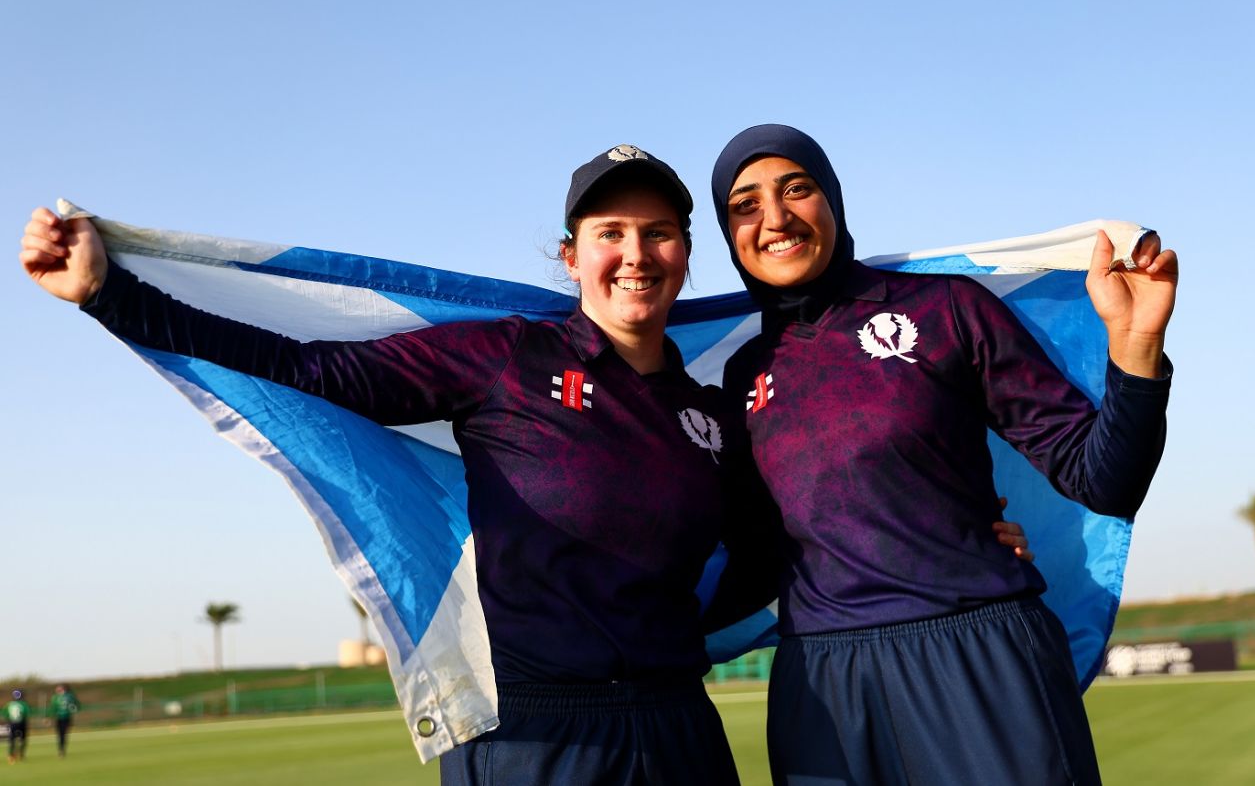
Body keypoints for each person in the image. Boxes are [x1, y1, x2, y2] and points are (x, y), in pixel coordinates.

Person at [21, 142, 1032, 783]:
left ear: (684, 255)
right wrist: (114, 297)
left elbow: (776, 552)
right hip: (534, 739)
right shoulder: (502, 357)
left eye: (658, 235)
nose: (634, 254)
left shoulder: (708, 412)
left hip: (679, 732)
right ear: (569, 255)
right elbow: (301, 363)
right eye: (609, 234)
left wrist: (955, 532)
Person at [710, 124, 1176, 786]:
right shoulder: (744, 376)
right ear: (730, 234)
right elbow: (756, 560)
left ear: (833, 201)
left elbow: (1103, 480)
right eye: (745, 204)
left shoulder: (948, 310)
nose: (776, 217)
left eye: (797, 189)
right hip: (823, 686)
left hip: (978, 655)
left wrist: (1137, 348)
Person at [47, 684, 80, 757]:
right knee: (61, 734)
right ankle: (61, 750)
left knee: (62, 734)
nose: (56, 689)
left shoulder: (59, 697)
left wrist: (49, 717)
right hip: (59, 718)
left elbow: (53, 708)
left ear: (62, 689)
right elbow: (76, 705)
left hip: (65, 718)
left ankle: (61, 750)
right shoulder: (68, 696)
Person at [6, 690, 30, 763]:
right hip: (22, 723)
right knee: (23, 739)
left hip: (12, 723)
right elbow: (26, 714)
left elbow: (6, 714)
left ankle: (11, 755)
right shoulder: (24, 704)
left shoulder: (9, 704)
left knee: (12, 739)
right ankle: (21, 754)